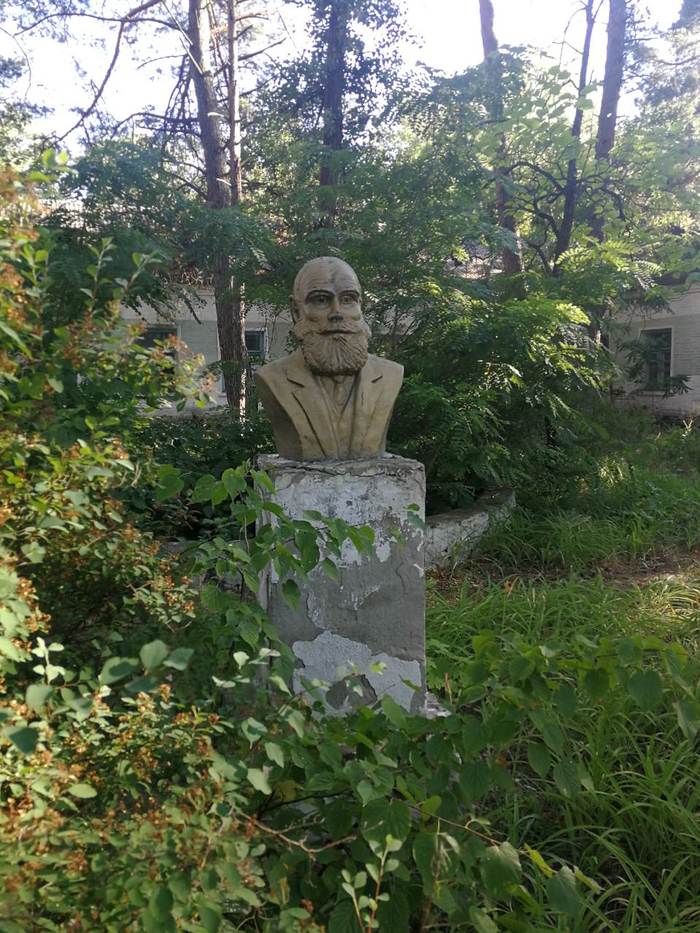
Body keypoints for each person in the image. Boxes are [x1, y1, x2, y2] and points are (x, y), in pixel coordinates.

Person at [255, 257, 403, 460]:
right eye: (321, 300)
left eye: (348, 299)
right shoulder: (273, 378)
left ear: (361, 308)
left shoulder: (391, 375)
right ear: (296, 311)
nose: (337, 313)